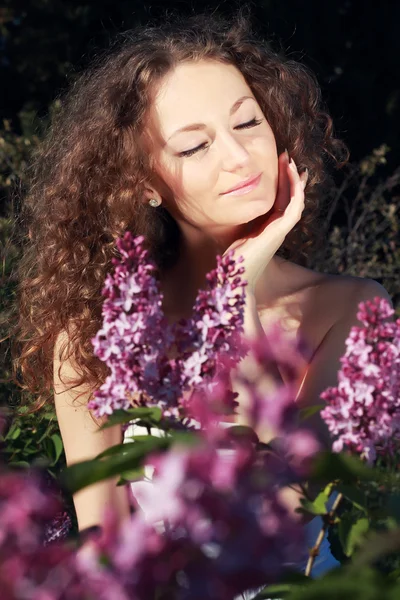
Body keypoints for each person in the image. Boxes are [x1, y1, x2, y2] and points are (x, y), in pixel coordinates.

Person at [14, 7, 392, 575]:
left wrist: (234, 291)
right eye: (195, 147)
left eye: (248, 123)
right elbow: (103, 549)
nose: (239, 158)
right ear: (143, 183)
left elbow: (285, 509)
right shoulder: (92, 334)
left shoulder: (353, 308)